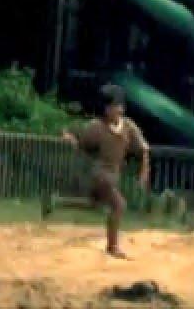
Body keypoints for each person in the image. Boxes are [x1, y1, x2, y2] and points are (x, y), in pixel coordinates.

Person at [61, 83, 150, 259]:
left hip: (113, 174)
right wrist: (70, 139)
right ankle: (113, 246)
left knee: (95, 205)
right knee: (119, 205)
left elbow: (144, 149)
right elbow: (82, 143)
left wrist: (144, 172)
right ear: (106, 109)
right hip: (99, 174)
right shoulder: (96, 127)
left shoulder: (128, 127)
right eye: (114, 106)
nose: (119, 110)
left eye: (120, 106)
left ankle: (58, 202)